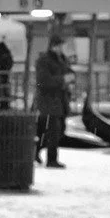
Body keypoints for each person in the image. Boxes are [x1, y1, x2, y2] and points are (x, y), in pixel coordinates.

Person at [35, 34, 74, 168]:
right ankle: (52, 159)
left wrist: (71, 79)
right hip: (48, 102)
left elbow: (68, 73)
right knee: (53, 131)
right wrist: (63, 80)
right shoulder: (44, 60)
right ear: (54, 46)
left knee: (59, 130)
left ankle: (36, 150)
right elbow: (43, 81)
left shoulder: (62, 59)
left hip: (60, 101)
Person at [0, 39, 15, 108]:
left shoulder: (2, 55)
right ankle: (5, 104)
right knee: (5, 89)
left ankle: (4, 104)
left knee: (3, 90)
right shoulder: (8, 54)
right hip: (6, 74)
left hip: (2, 74)